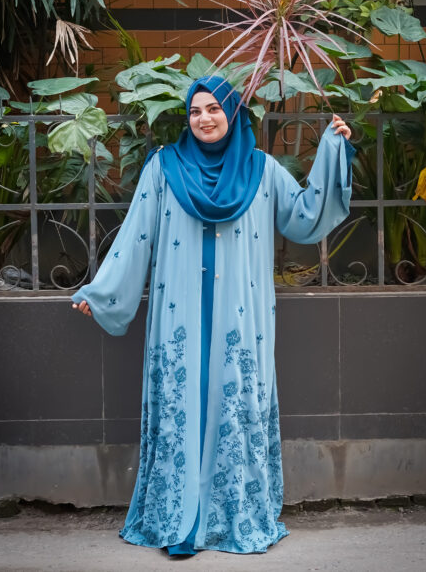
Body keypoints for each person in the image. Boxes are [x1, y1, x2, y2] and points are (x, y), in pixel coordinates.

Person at [71, 75, 354, 556]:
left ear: (233, 113)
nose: (204, 119)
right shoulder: (164, 168)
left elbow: (305, 215)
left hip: (238, 322)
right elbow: (135, 236)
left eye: (214, 109)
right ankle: (178, 517)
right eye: (195, 111)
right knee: (183, 403)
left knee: (231, 403)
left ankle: (229, 516)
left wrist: (333, 149)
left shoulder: (262, 170)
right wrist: (102, 293)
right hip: (179, 317)